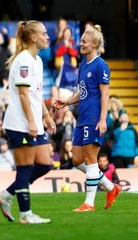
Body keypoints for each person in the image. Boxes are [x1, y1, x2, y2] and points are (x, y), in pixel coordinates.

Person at [0, 20, 56, 224]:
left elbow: (35, 94)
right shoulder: (23, 60)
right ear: (33, 37)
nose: (48, 37)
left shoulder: (36, 60)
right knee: (25, 168)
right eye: (44, 33)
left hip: (34, 122)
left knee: (45, 164)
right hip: (20, 124)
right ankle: (25, 215)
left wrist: (46, 116)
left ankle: (6, 194)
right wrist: (31, 122)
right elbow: (22, 95)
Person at [54, 25, 121, 212]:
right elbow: (82, 91)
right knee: (76, 159)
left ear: (94, 44)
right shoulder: (83, 65)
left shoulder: (101, 65)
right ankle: (110, 187)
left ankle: (89, 203)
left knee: (91, 159)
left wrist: (102, 120)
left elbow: (105, 94)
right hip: (82, 117)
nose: (80, 43)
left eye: (84, 41)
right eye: (81, 40)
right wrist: (66, 102)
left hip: (93, 118)